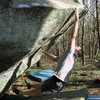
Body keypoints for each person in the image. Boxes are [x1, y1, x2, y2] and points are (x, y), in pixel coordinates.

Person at [12, 8, 83, 96]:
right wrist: (44, 52)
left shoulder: (72, 53)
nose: (77, 45)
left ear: (78, 51)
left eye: (78, 46)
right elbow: (55, 58)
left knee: (39, 92)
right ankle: (27, 88)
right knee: (41, 86)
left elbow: (73, 36)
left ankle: (20, 93)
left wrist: (77, 19)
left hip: (59, 82)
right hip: (57, 78)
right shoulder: (69, 56)